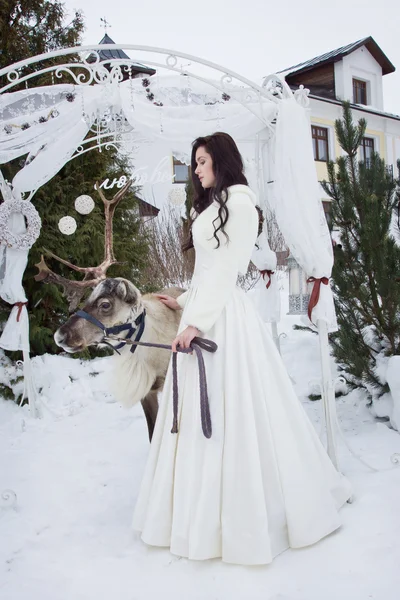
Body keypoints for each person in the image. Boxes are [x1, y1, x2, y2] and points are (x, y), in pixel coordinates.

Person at [132, 132, 351, 566]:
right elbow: (206, 270)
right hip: (204, 308)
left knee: (237, 406)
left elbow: (229, 268)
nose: (196, 169)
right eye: (194, 162)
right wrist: (183, 302)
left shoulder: (241, 202)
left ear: (222, 160)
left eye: (201, 160)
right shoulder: (215, 204)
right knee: (196, 410)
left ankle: (244, 516)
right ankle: (197, 510)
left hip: (223, 317)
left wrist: (195, 322)